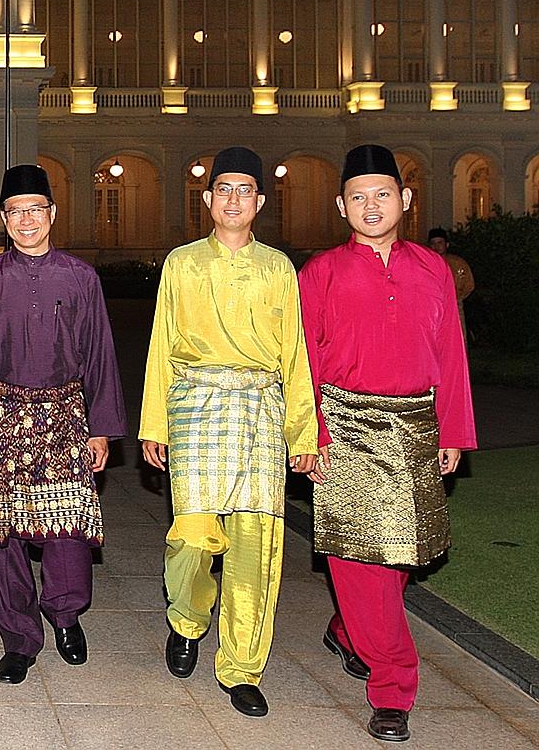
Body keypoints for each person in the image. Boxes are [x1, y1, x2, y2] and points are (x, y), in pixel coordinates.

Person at [302, 146, 477, 742]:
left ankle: (348, 633)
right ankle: (393, 687)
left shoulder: (433, 269)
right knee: (357, 564)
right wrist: (310, 436)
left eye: (383, 194)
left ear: (405, 201)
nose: (371, 206)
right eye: (358, 196)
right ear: (340, 205)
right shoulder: (321, 272)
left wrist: (453, 431)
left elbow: (451, 355)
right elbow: (301, 361)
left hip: (415, 429)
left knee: (401, 558)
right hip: (344, 426)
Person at [138, 146, 317, 718]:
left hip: (260, 411)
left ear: (260, 202)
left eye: (245, 190)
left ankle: (241, 667)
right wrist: (154, 424)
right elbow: (161, 346)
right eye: (224, 190)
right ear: (209, 199)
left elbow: (294, 356)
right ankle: (187, 621)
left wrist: (303, 434)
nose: (233, 199)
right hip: (196, 406)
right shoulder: (182, 263)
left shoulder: (278, 268)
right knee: (190, 539)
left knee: (255, 549)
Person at [0, 164, 125, 684]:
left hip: (65, 415)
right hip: (1, 416)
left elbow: (100, 354)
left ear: (52, 215)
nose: (26, 220)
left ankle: (66, 615)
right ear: (2, 218)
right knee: (6, 536)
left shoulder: (81, 277)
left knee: (68, 529)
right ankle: (19, 637)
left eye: (35, 210)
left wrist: (100, 428)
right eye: (16, 211)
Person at [425, 228, 474, 334]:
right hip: (431, 309)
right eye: (433, 243)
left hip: (455, 308)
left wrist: (456, 299)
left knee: (457, 336)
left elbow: (468, 284)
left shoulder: (458, 263)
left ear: (447, 244)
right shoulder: (424, 265)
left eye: (440, 243)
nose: (436, 246)